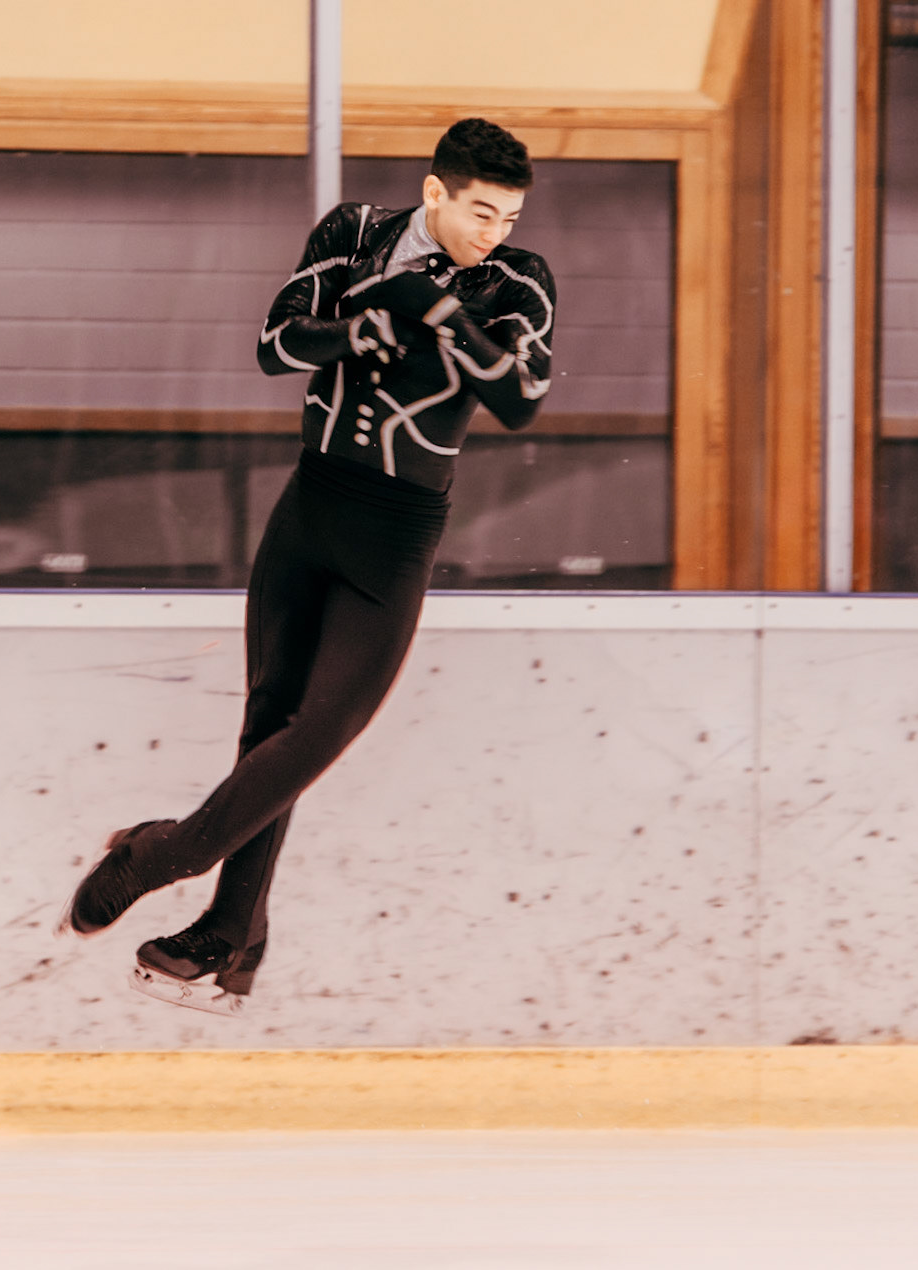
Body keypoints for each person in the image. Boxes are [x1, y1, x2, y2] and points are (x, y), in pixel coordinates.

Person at [59, 118, 555, 1014]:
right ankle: (231, 941)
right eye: (482, 213)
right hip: (308, 508)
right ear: (435, 191)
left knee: (317, 735)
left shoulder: (517, 281)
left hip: (394, 537)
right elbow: (275, 345)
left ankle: (161, 854)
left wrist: (436, 310)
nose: (496, 233)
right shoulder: (354, 232)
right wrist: (360, 325)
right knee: (268, 731)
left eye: (510, 218)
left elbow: (520, 398)